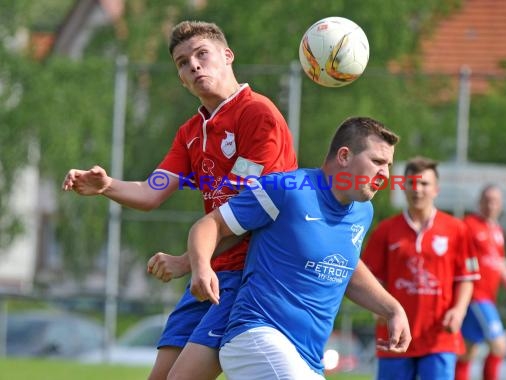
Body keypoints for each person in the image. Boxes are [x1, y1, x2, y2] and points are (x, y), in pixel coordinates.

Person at [61, 20, 297, 380]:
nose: (194, 65)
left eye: (202, 54)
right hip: (212, 269)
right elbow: (152, 190)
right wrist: (107, 186)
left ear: (228, 56)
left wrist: (188, 261)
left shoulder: (258, 115)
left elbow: (248, 215)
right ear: (181, 78)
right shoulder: (191, 132)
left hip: (252, 272)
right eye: (183, 63)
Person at [184, 116, 411, 379]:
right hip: (257, 336)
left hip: (309, 358)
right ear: (345, 156)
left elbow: (345, 267)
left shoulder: (363, 211)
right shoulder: (288, 189)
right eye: (377, 162)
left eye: (389, 165)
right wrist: (200, 268)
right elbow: (210, 225)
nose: (385, 174)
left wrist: (393, 309)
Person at [362, 156, 481, 380]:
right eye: (411, 183)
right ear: (403, 187)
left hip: (439, 338)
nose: (417, 189)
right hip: (394, 337)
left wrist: (459, 311)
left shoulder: (457, 229)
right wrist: (376, 308)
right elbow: (369, 277)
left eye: (424, 184)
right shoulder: (386, 230)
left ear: (436, 189)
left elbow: (466, 277)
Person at [455, 184, 506, 380]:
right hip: (476, 297)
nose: (490, 205)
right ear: (479, 202)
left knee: (468, 351)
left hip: (488, 298)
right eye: (487, 200)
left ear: (501, 205)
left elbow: (501, 266)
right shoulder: (469, 225)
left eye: (495, 201)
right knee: (500, 346)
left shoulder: (497, 231)